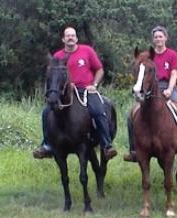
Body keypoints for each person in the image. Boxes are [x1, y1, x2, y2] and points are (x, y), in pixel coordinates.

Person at [33, 26, 117, 160]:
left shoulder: (87, 51)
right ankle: (47, 145)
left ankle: (106, 145)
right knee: (46, 112)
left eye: (73, 35)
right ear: (63, 39)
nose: (70, 37)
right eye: (68, 36)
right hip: (65, 93)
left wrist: (94, 85)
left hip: (86, 90)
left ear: (76, 38)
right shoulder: (57, 56)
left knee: (99, 110)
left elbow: (100, 69)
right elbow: (53, 76)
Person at [124, 25, 177, 162]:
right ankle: (133, 150)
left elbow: (174, 73)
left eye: (160, 36)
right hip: (149, 89)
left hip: (168, 87)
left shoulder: (172, 54)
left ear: (165, 38)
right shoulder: (148, 56)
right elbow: (141, 74)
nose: (158, 39)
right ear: (153, 39)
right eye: (156, 37)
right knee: (130, 116)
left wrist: (170, 89)